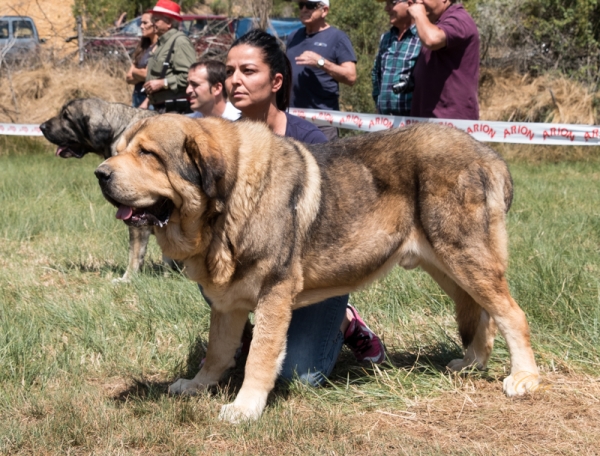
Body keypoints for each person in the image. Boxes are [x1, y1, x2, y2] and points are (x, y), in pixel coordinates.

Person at [224, 29, 385, 387]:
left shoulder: (310, 140)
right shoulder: (221, 143)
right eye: (229, 71)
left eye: (248, 71)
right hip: (248, 270)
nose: (235, 80)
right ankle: (243, 338)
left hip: (313, 274)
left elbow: (335, 227)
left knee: (300, 377)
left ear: (276, 81)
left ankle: (344, 321)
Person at [285, 0, 357, 140]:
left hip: (323, 122)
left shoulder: (338, 37)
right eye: (301, 5)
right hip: (292, 118)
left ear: (324, 11)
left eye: (310, 6)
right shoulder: (294, 36)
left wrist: (320, 62)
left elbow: (351, 77)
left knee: (323, 162)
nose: (304, 9)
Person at [407, 0, 480, 120]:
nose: (417, 2)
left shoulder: (459, 19)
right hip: (430, 126)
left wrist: (419, 14)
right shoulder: (437, 24)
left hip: (451, 127)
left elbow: (432, 39)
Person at [142, 0, 196, 113]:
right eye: (152, 20)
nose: (152, 23)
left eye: (156, 20)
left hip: (174, 109)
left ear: (169, 23)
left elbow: (190, 76)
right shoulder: (162, 43)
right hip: (161, 107)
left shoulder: (180, 42)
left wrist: (164, 83)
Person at [372, 0, 421, 116]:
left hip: (413, 123)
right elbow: (376, 73)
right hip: (385, 120)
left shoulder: (423, 37)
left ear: (409, 4)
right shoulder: (386, 38)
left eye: (391, 3)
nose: (386, 9)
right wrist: (378, 102)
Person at [126, 13, 158, 108]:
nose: (141, 26)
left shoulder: (160, 47)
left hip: (150, 99)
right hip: (137, 96)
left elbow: (149, 76)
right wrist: (141, 73)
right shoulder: (142, 47)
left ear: (155, 24)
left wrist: (135, 72)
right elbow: (128, 77)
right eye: (141, 23)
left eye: (145, 23)